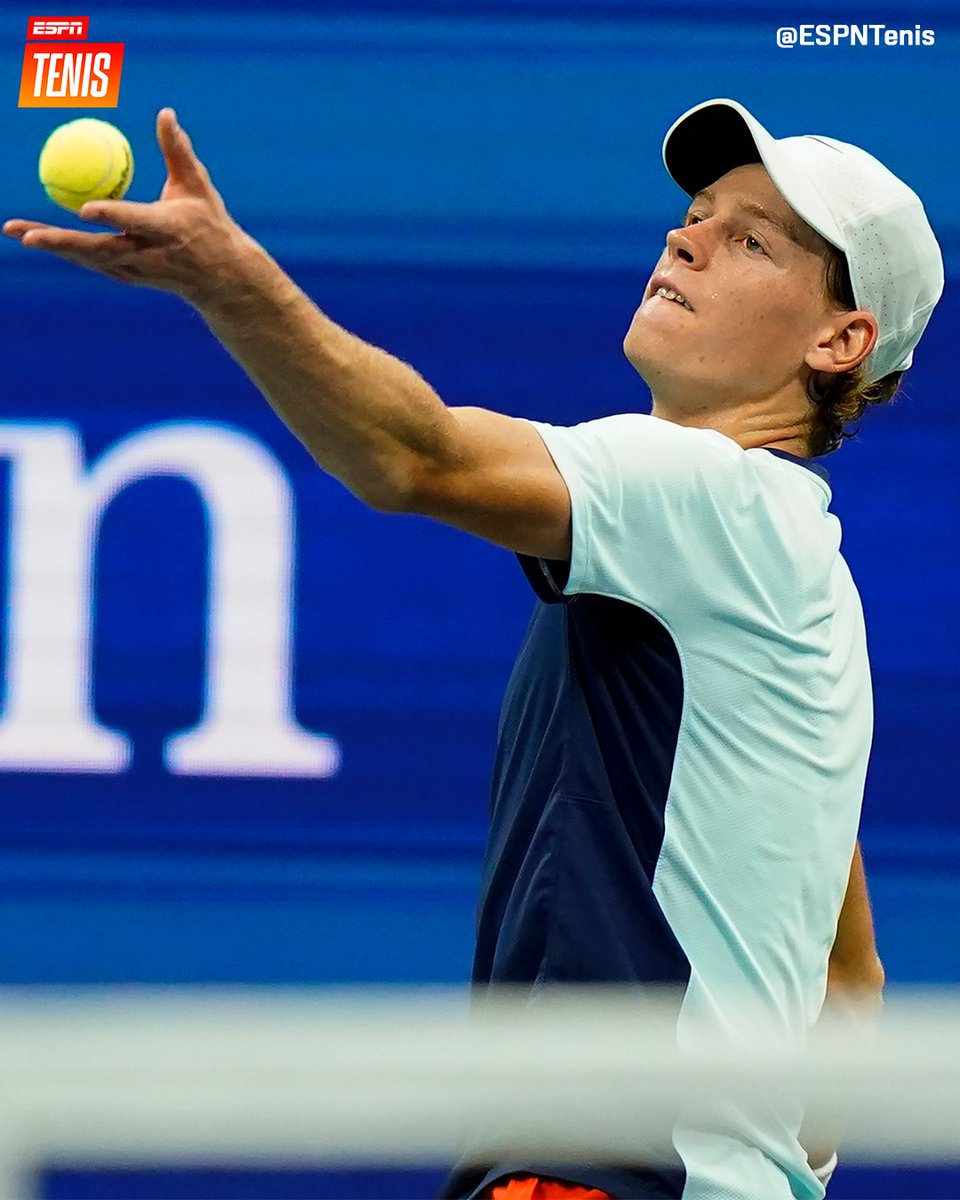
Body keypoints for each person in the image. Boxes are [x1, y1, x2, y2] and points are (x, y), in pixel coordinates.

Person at [3, 96, 942, 1199]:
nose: (685, 237)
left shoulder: (716, 500)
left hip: (602, 1169)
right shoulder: (799, 581)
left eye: (751, 240)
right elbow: (846, 980)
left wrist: (230, 282)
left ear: (839, 341)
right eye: (695, 214)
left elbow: (417, 458)